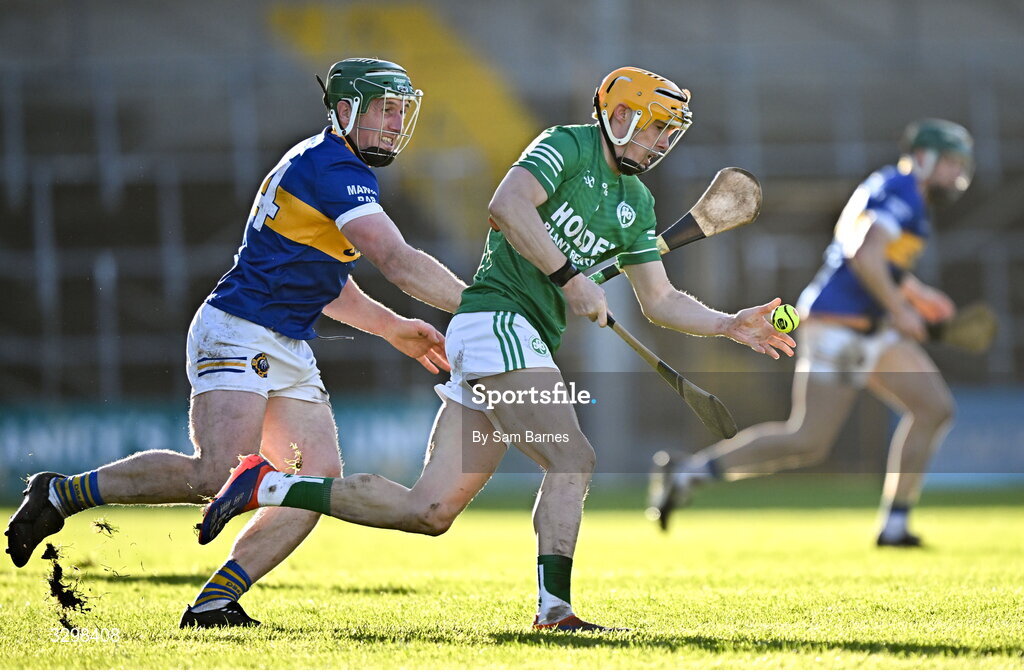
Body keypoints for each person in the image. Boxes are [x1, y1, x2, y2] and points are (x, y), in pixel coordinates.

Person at [196, 66, 796, 631]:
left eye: (672, 132)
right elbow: (507, 207)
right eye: (657, 126)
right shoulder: (567, 145)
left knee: (427, 512)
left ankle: (266, 487)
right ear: (619, 117)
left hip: (519, 333)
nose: (664, 141)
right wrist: (568, 276)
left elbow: (660, 300)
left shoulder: (636, 205)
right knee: (573, 459)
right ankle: (555, 611)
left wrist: (729, 323)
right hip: (497, 321)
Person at [5, 57, 468, 627]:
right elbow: (396, 260)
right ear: (345, 110)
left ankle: (215, 601)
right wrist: (480, 305)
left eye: (402, 111)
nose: (396, 123)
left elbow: (326, 285)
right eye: (384, 110)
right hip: (239, 326)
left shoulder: (333, 165)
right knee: (216, 474)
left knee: (314, 486)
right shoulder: (334, 169)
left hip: (289, 344)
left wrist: (392, 327)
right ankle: (62, 493)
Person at [648, 119, 974, 548]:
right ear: (925, 158)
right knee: (806, 439)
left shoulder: (897, 187)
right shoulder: (902, 191)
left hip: (868, 328)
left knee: (933, 407)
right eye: (950, 163)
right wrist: (902, 309)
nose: (956, 174)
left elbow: (869, 256)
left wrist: (915, 292)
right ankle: (688, 473)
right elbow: (864, 255)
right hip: (840, 327)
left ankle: (895, 525)